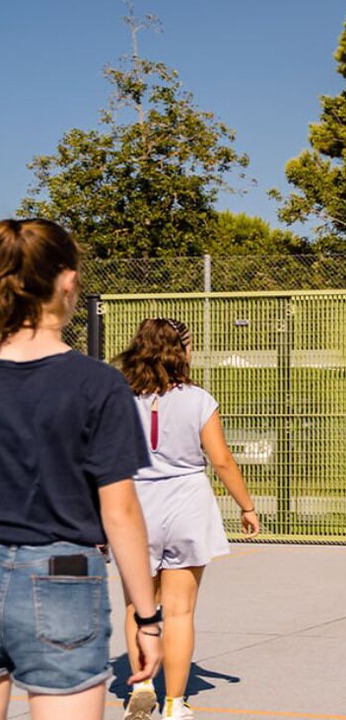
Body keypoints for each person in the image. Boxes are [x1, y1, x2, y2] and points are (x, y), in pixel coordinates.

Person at [0, 218, 161, 720]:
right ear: (67, 283)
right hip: (61, 572)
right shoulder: (97, 385)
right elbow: (121, 513)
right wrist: (148, 619)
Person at [114, 318, 261, 720]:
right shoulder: (198, 399)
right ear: (181, 350)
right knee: (179, 611)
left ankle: (142, 685)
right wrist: (246, 506)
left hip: (136, 505)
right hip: (186, 504)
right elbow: (221, 460)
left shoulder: (121, 399)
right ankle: (175, 704)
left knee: (137, 608)